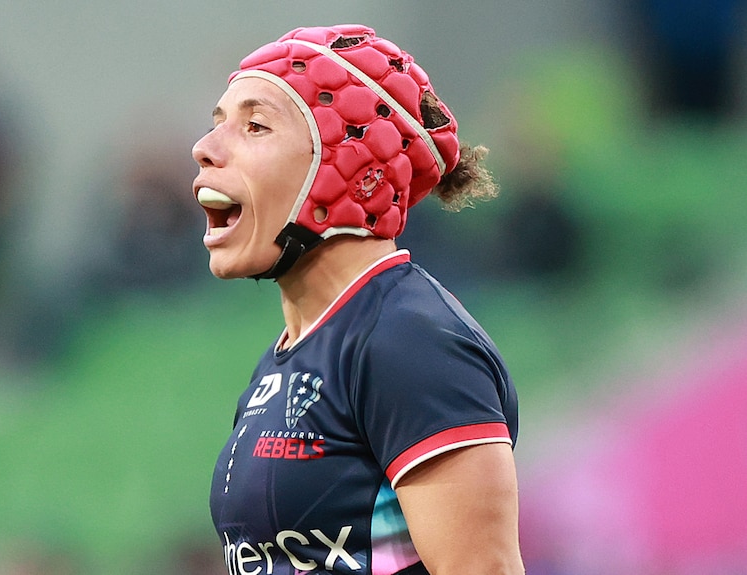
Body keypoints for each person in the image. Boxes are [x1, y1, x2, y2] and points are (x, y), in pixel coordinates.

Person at [191, 25, 523, 575]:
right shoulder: (292, 354)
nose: (203, 148)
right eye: (217, 124)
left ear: (353, 171)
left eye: (254, 125)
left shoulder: (409, 341)